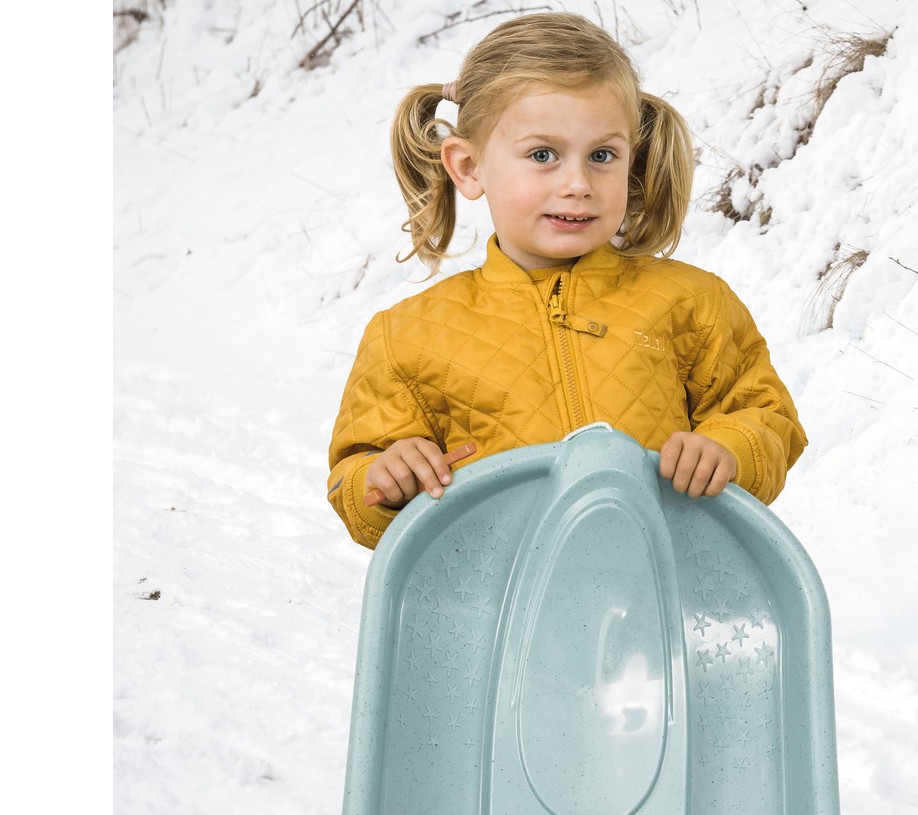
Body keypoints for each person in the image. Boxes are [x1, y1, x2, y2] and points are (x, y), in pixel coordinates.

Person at [326, 12, 807, 549]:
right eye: (543, 155)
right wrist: (385, 480)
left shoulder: (691, 301)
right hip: (498, 597)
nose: (578, 183)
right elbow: (354, 482)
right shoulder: (409, 334)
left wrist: (730, 448)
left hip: (666, 587)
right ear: (468, 167)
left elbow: (765, 416)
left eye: (602, 155)